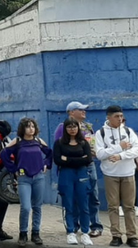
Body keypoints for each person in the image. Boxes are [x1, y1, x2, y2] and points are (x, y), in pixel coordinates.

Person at [53, 101, 104, 238]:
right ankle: (73, 225)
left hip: (88, 165)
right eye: (80, 109)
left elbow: (89, 151)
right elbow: (60, 152)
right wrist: (73, 159)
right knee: (72, 197)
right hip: (69, 170)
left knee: (92, 196)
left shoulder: (88, 127)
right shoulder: (61, 128)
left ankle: (95, 225)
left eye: (84, 109)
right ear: (71, 112)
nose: (84, 112)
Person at [1, 118, 52, 247]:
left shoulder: (38, 141)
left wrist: (46, 164)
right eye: (28, 126)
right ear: (22, 129)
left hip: (39, 177)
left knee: (37, 207)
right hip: (24, 178)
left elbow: (50, 154)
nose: (31, 129)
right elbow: (4, 154)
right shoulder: (17, 142)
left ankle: (36, 233)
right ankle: (23, 233)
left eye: (33, 126)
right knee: (25, 207)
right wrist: (13, 169)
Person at [94, 105, 138, 247]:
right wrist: (119, 146)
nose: (120, 119)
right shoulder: (100, 133)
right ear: (108, 117)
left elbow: (136, 150)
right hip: (110, 174)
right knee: (113, 206)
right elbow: (100, 154)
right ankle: (116, 235)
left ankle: (132, 235)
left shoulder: (128, 131)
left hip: (128, 173)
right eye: (116, 116)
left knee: (129, 206)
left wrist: (120, 155)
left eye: (121, 116)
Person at [54, 118, 94, 246]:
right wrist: (78, 159)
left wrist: (68, 159)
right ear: (65, 129)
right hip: (66, 175)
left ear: (78, 128)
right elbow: (57, 160)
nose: (72, 129)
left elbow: (88, 159)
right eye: (69, 127)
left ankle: (85, 232)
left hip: (82, 174)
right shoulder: (59, 143)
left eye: (74, 126)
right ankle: (71, 232)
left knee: (84, 204)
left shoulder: (83, 143)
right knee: (69, 203)